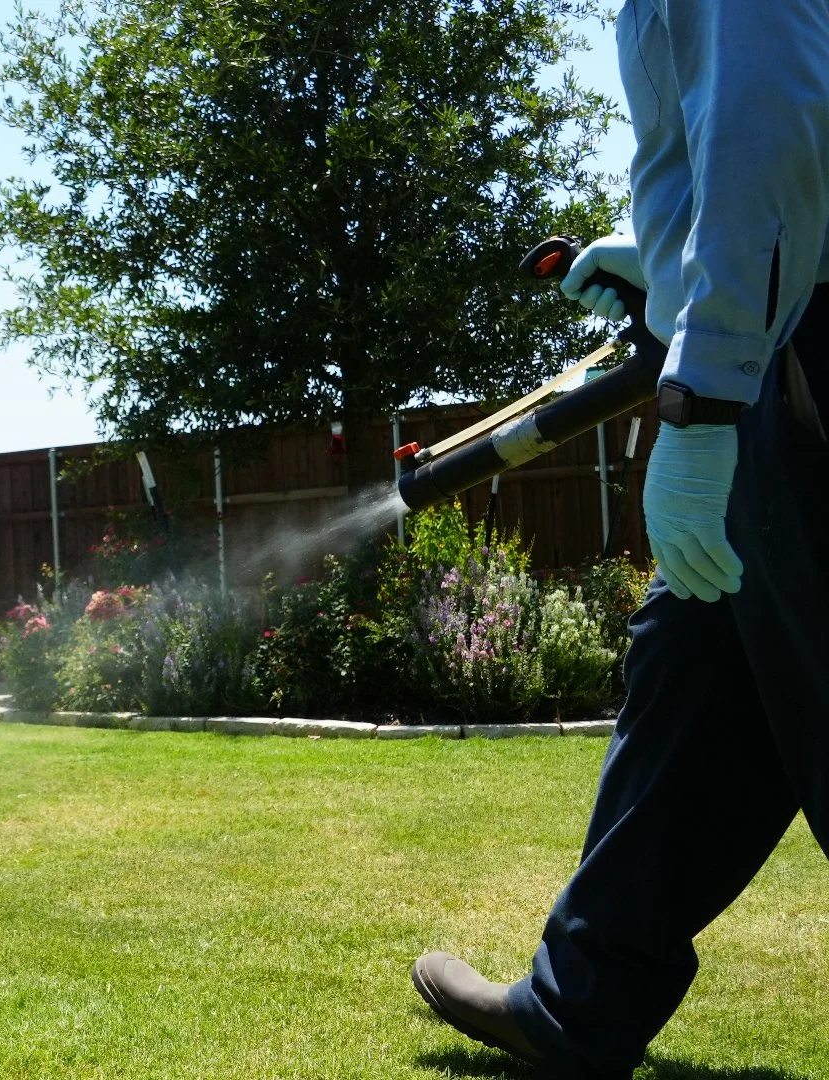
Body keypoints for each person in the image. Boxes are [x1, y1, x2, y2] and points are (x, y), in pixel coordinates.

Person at [409, 2, 829, 1077]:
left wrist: (707, 403)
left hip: (801, 368)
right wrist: (672, 260)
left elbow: (770, 131)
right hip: (780, 339)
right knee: (694, 671)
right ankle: (579, 1003)